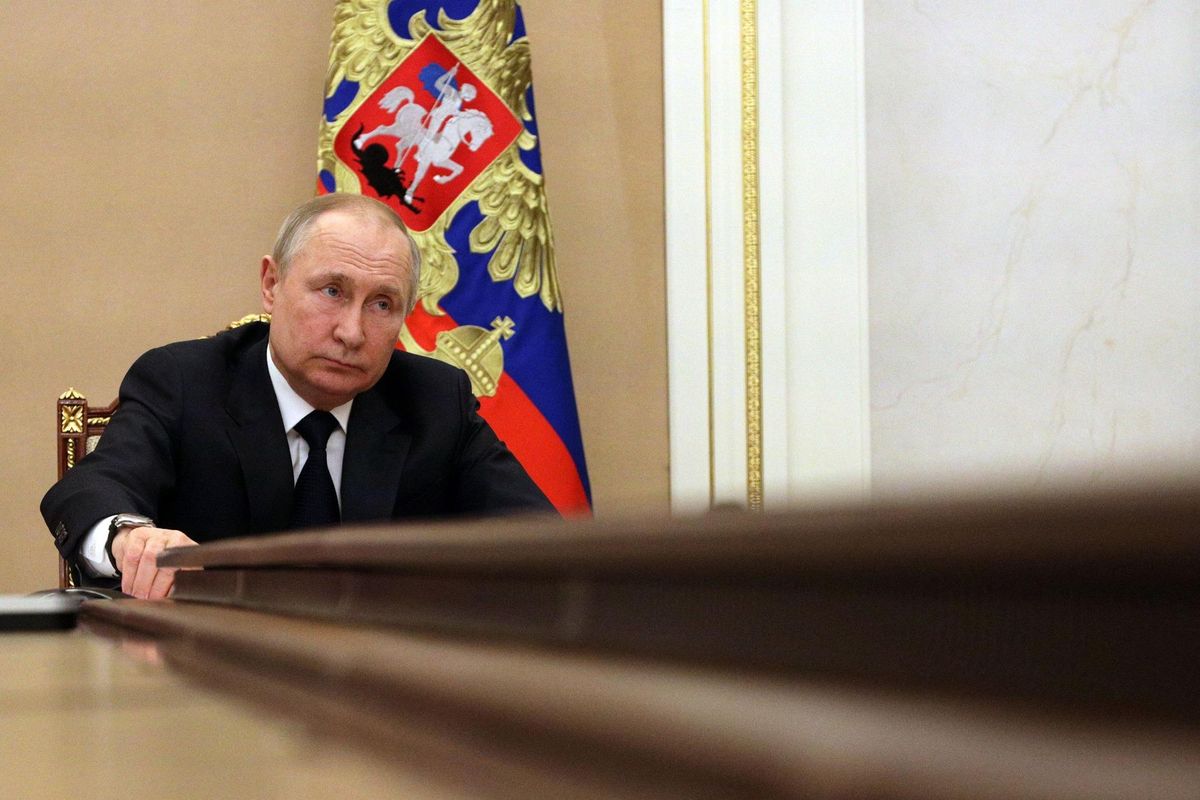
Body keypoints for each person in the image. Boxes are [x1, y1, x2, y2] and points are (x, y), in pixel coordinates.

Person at [41, 194, 553, 600]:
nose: (351, 332)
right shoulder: (184, 381)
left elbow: (536, 539)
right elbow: (91, 488)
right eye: (331, 291)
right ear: (271, 284)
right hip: (203, 680)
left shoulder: (437, 399)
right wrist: (131, 538)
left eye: (381, 304)